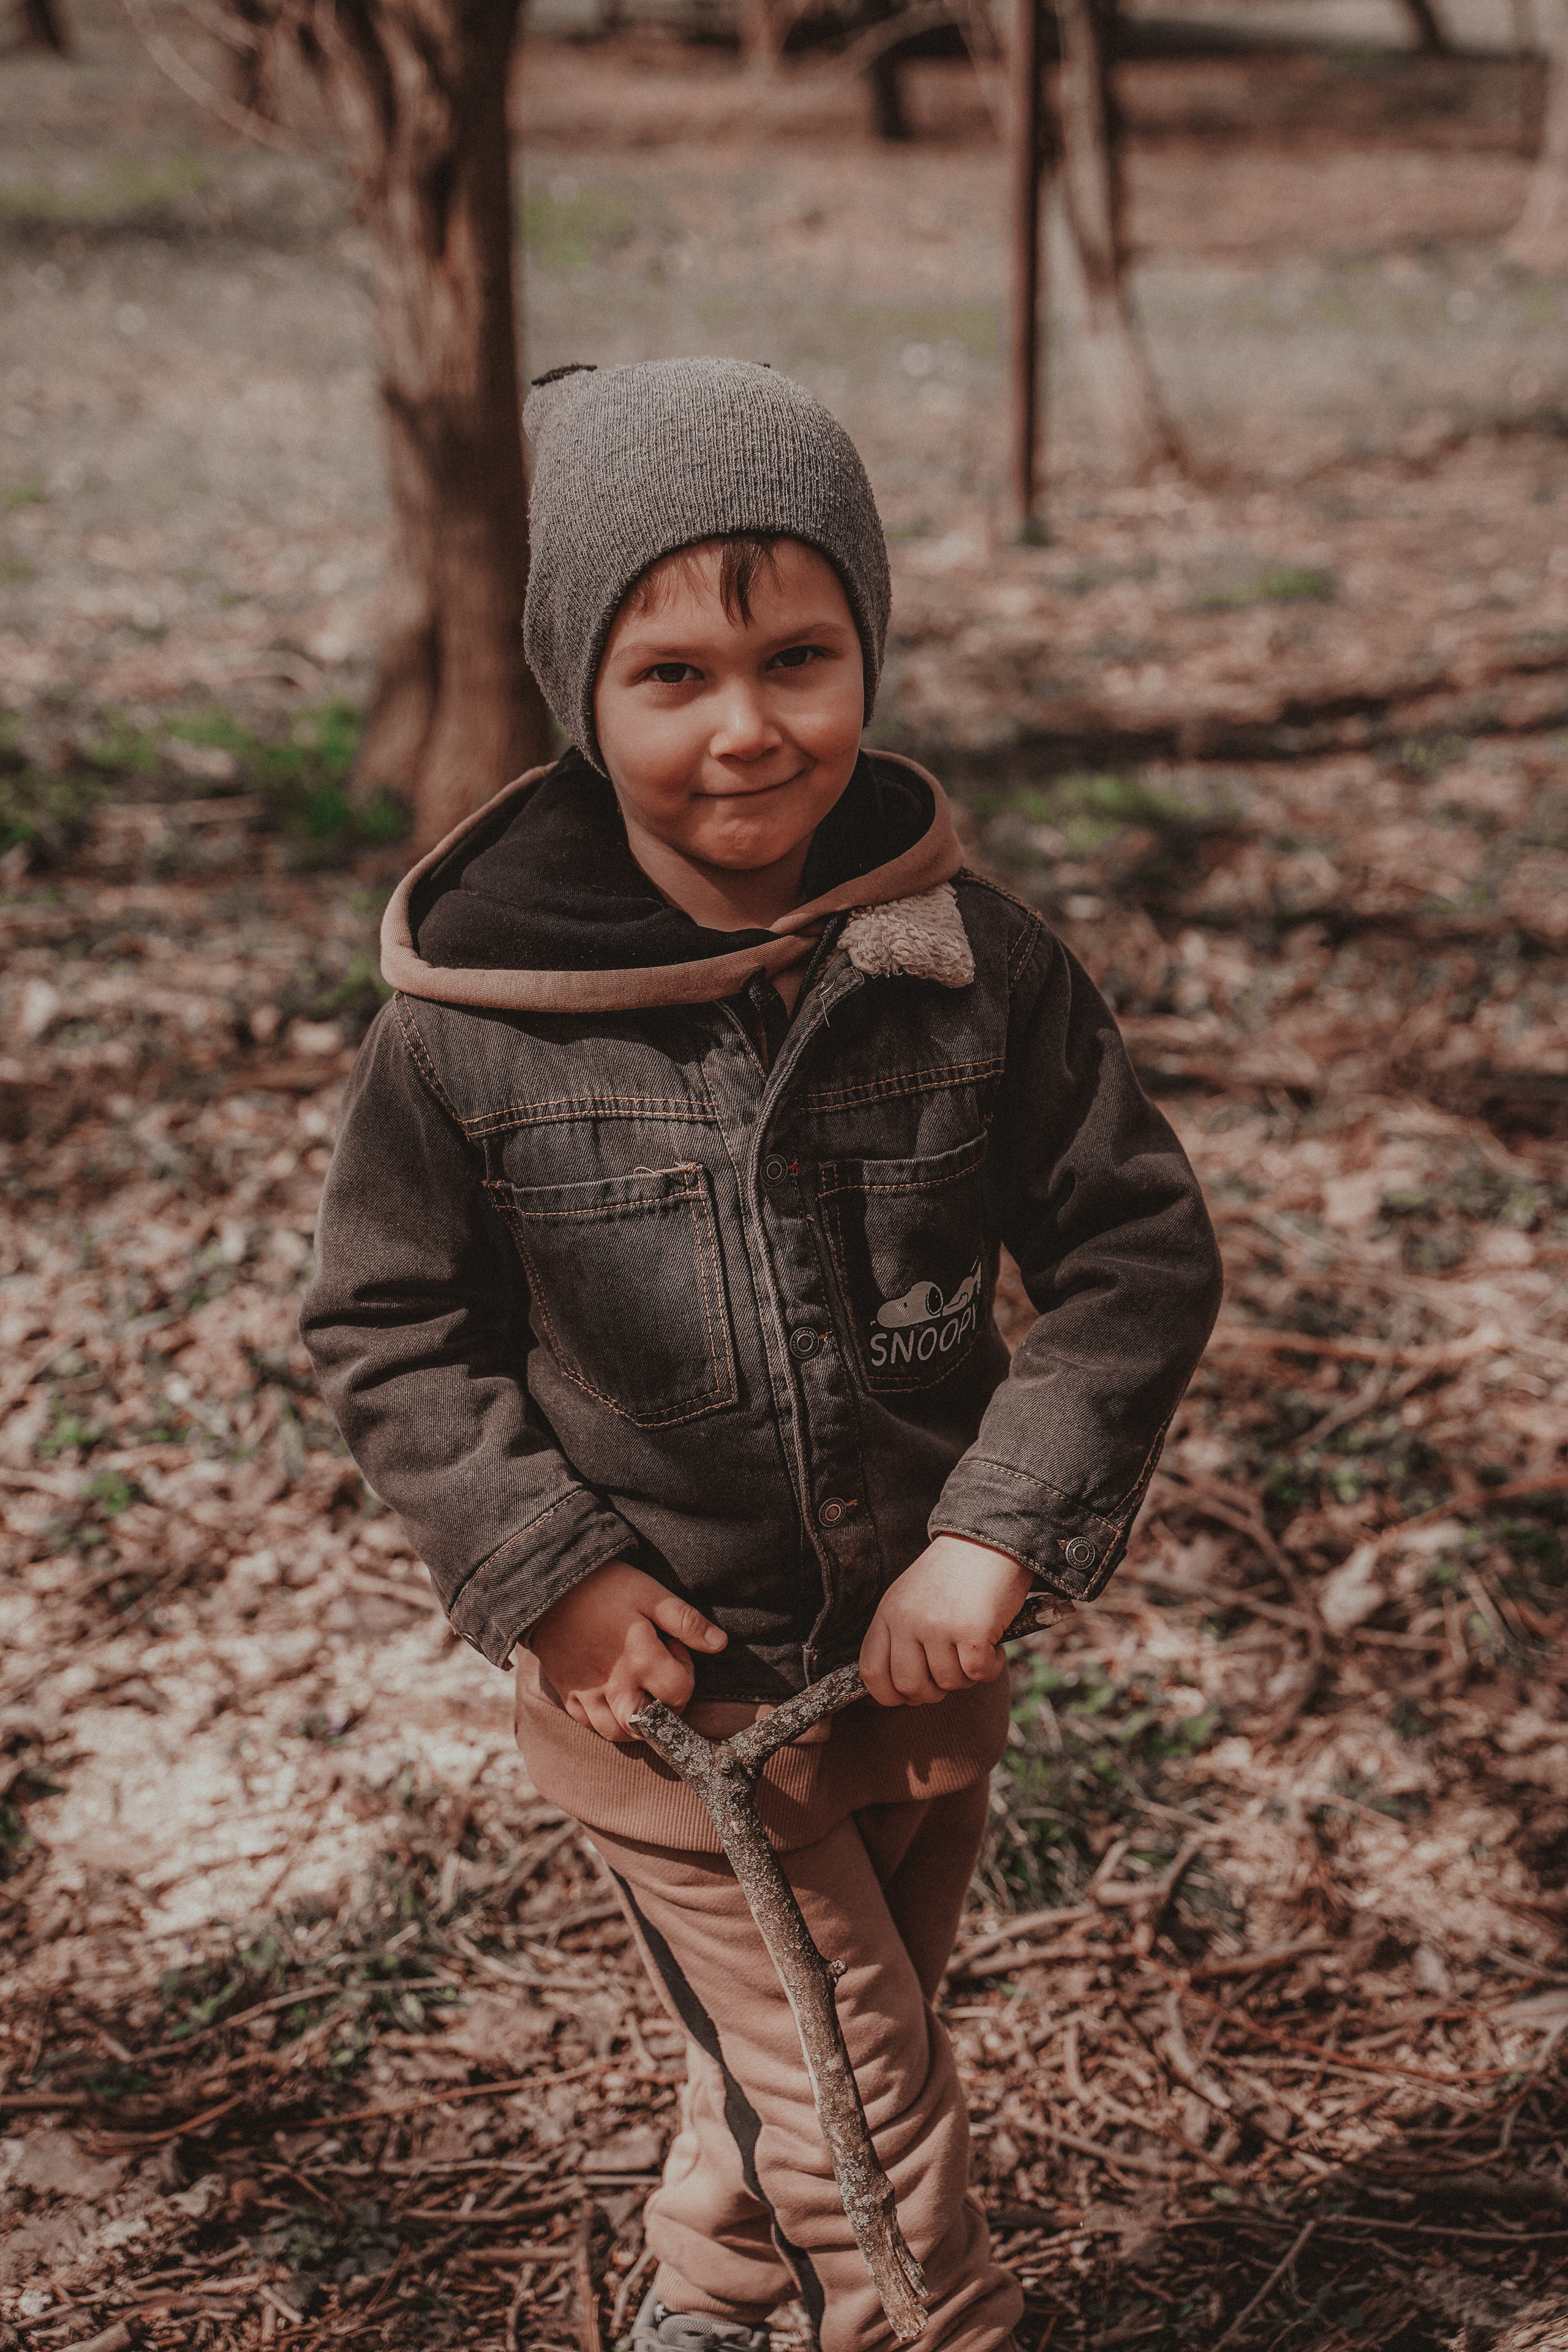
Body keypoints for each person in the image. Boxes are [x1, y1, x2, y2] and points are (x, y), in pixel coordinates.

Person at [301, 356, 1223, 2352]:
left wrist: (997, 1536)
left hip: (915, 1653)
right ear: (579, 694)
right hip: (677, 1703)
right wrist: (551, 1579)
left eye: (800, 656)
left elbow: (1134, 1250)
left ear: (868, 651)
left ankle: (706, 2303)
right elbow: (390, 1324)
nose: (747, 729)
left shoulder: (968, 961)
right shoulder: (474, 1026)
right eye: (672, 679)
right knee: (866, 2117)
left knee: (815, 2039)